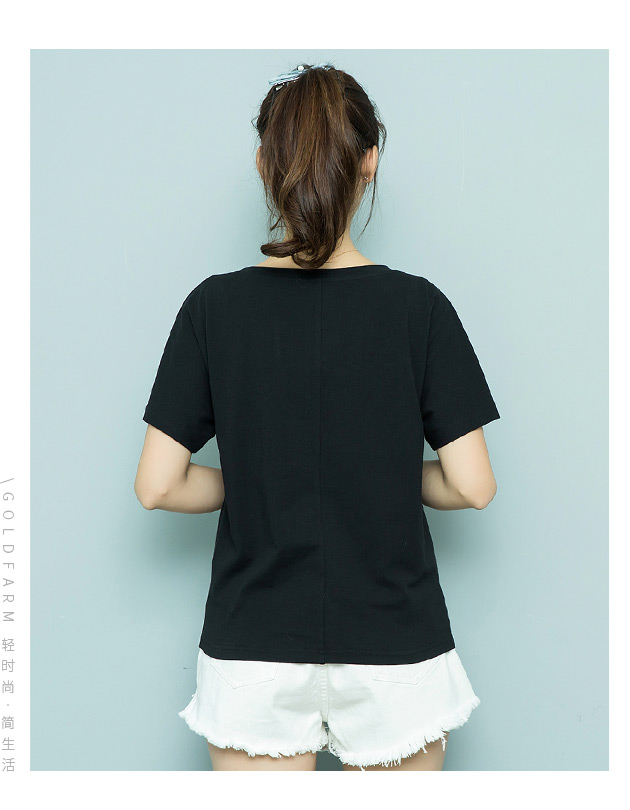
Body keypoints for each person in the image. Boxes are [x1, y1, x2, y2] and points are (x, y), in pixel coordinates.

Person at [134, 62, 500, 772]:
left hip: (253, 646)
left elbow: (158, 485)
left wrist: (259, 476)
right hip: (397, 644)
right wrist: (377, 470)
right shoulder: (419, 308)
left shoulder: (212, 308)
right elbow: (472, 485)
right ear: (370, 160)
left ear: (263, 164)